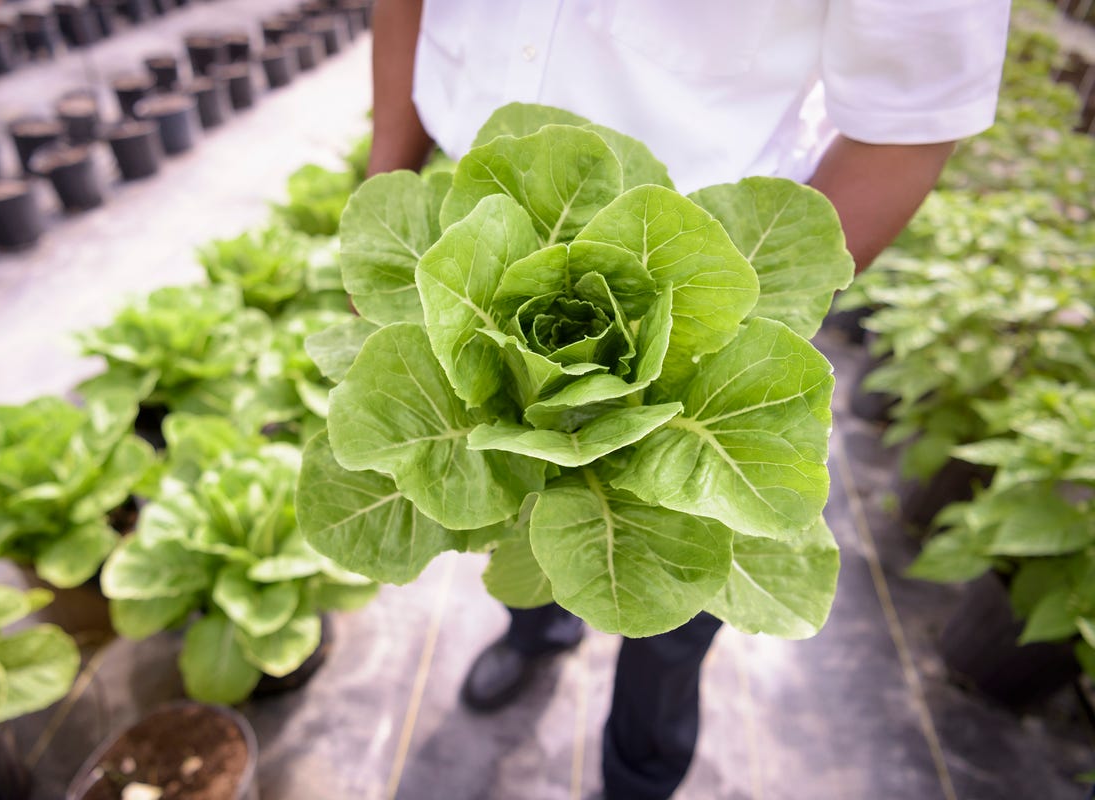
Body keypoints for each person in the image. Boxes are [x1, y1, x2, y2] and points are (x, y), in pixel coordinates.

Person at [364, 2, 1011, 798]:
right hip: (472, 231)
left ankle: (640, 771)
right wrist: (386, 160)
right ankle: (537, 631)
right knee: (525, 539)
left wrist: (735, 327)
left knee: (674, 606)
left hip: (707, 265)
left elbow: (910, 115)